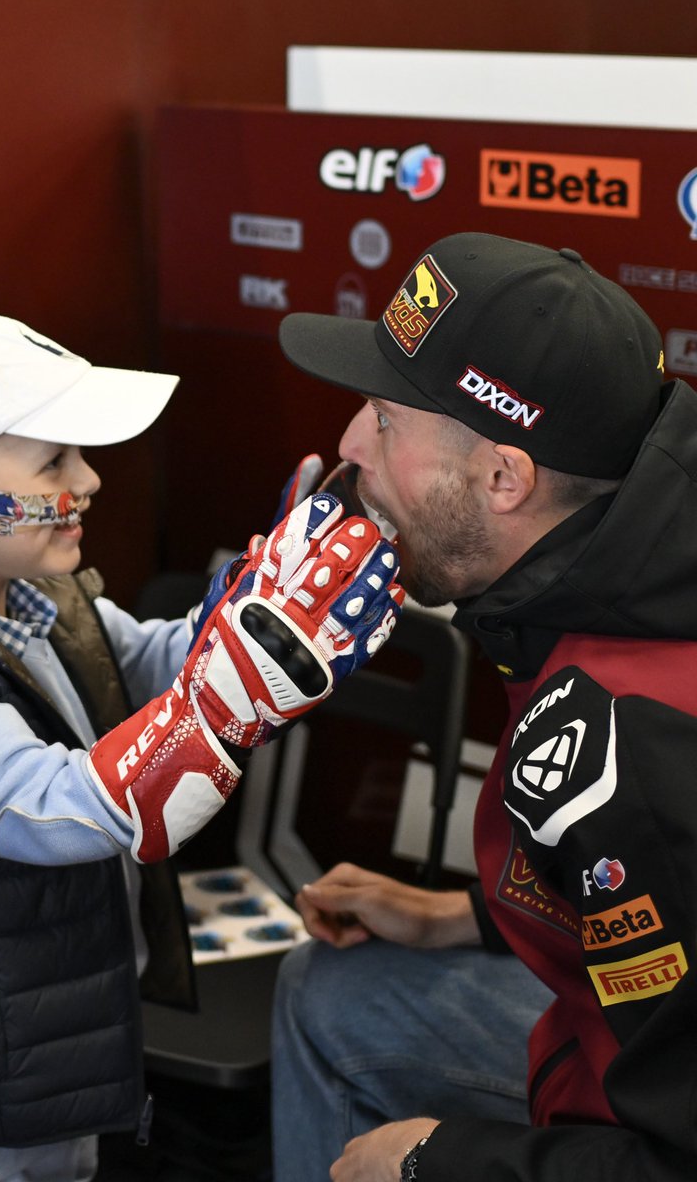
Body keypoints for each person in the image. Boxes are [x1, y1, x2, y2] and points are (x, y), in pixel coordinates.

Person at [0, 313, 402, 1182]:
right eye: (53, 463)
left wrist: (256, 618)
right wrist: (230, 699)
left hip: (59, 1028)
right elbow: (64, 810)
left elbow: (152, 671)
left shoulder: (37, 595)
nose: (89, 479)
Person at [272, 231, 697, 1181]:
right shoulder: (607, 579)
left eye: (383, 418)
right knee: (332, 987)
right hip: (608, 1054)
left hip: (638, 1123)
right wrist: (467, 913)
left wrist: (443, 1160)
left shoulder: (647, 744)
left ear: (505, 478)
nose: (346, 445)